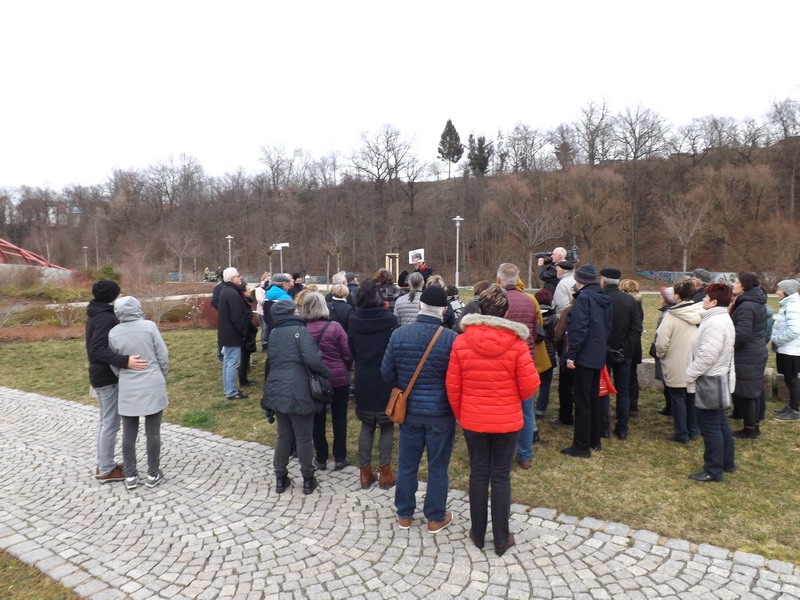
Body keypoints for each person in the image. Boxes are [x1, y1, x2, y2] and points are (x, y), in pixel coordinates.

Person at [446, 284, 539, 556]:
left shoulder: (462, 341)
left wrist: (462, 415)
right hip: (506, 420)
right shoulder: (517, 344)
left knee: (478, 474)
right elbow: (529, 387)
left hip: (474, 419)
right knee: (500, 477)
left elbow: (453, 387)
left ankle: (478, 533)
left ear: (480, 309)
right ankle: (500, 537)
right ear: (505, 312)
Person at [381, 285, 458, 533]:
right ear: (445, 310)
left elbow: (386, 373)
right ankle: (435, 517)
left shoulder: (399, 334)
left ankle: (404, 514)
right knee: (437, 466)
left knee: (407, 464)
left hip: (410, 411)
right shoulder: (451, 339)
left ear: (418, 306)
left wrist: (401, 385)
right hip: (441, 414)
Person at [262, 300, 329, 495]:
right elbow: (313, 359)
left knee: (283, 436)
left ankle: (280, 478)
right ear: (291, 312)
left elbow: (271, 361)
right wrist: (325, 373)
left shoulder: (274, 333)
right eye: (295, 309)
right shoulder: (300, 331)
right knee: (304, 437)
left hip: (277, 389)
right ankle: (308, 479)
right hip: (299, 390)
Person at [85, 280, 148, 483]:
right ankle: (105, 469)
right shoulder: (105, 317)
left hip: (101, 376)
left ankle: (106, 463)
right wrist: (125, 361)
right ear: (112, 296)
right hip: (106, 377)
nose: (122, 295)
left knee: (106, 422)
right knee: (110, 424)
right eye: (119, 293)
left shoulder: (98, 313)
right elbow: (97, 349)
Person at [108, 296, 169, 490]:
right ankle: (153, 473)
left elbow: (114, 362)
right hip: (152, 382)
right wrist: (161, 373)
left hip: (128, 385)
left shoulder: (113, 333)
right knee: (153, 432)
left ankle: (131, 476)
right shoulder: (149, 327)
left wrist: (123, 375)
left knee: (128, 434)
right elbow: (162, 353)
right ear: (137, 308)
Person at [348, 279, 400, 489]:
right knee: (386, 425)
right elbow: (396, 349)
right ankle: (384, 472)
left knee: (367, 424)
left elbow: (351, 350)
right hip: (385, 377)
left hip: (364, 377)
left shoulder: (353, 320)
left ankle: (365, 472)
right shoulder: (389, 319)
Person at [684, 284, 737, 482]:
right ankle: (727, 463)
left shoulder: (715, 322)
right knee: (720, 423)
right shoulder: (720, 318)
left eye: (705, 298)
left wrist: (690, 374)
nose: (702, 300)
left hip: (710, 380)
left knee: (710, 427)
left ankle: (713, 470)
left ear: (714, 302)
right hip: (718, 378)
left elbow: (707, 356)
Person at [561, 264, 613, 458]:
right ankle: (594, 440)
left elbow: (579, 329)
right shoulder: (604, 298)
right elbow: (608, 327)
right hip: (597, 354)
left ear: (579, 281)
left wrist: (571, 354)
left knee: (582, 401)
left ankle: (581, 446)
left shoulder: (584, 298)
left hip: (584, 355)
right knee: (593, 399)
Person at [300, 293, 353, 471]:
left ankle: (321, 457)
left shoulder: (303, 330)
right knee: (339, 418)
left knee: (317, 419)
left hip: (315, 380)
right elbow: (347, 353)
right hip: (338, 378)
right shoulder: (335, 327)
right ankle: (340, 457)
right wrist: (344, 368)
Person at [496, 263, 541, 468]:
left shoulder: (497, 301)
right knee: (526, 410)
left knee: (501, 408)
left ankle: (503, 453)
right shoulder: (530, 301)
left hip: (503, 362)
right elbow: (533, 331)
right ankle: (525, 455)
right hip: (526, 361)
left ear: (499, 280)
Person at [655, 279, 704, 443]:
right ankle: (693, 430)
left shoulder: (671, 316)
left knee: (678, 399)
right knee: (691, 399)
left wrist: (661, 355)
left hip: (676, 363)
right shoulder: (701, 312)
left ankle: (681, 433)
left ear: (676, 296)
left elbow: (661, 343)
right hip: (695, 362)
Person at [599, 267, 643, 441]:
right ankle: (622, 427)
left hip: (604, 352)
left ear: (603, 281)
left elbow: (596, 327)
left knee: (603, 390)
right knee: (623, 391)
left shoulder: (599, 299)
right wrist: (624, 349)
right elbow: (636, 328)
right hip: (623, 353)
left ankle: (604, 428)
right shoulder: (629, 300)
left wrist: (608, 348)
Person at [729, 272, 768, 439]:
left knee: (748, 392)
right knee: (753, 390)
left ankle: (750, 429)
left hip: (747, 354)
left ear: (744, 286)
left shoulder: (746, 306)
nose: (734, 285)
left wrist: (729, 347)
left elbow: (742, 335)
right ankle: (753, 424)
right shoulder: (754, 302)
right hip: (755, 350)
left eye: (736, 282)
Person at [218, 267, 252, 400]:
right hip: (233, 335)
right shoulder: (232, 294)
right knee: (232, 363)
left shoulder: (225, 291)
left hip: (226, 334)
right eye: (238, 276)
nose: (240, 278)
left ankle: (229, 389)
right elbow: (238, 317)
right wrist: (244, 333)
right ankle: (231, 391)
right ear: (232, 278)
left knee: (227, 362)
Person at [771, 278, 800, 422]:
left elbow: (795, 331)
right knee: (789, 379)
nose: (777, 292)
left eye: (779, 289)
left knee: (792, 380)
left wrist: (777, 340)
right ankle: (791, 406)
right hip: (787, 349)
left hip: (791, 350)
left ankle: (795, 410)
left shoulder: (793, 305)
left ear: (787, 291)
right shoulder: (788, 304)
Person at [620, 279, 644, 416]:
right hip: (635, 344)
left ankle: (629, 405)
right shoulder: (638, 304)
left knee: (628, 376)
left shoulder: (629, 304)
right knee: (632, 376)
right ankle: (632, 405)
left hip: (628, 343)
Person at [652, 287, 677, 416]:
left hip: (666, 355)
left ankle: (670, 407)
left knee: (668, 382)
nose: (660, 299)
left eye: (662, 297)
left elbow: (661, 338)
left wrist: (658, 352)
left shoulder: (666, 316)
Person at [533, 289, 558, 419]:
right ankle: (540, 410)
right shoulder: (554, 318)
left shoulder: (532, 315)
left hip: (533, 353)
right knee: (546, 384)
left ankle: (528, 407)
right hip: (549, 354)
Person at [254, 272, 271, 352]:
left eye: (270, 279)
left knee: (268, 328)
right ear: (263, 279)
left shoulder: (271, 288)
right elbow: (259, 300)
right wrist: (267, 301)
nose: (269, 280)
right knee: (264, 328)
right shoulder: (259, 289)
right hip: (262, 311)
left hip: (269, 311)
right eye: (267, 279)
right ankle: (264, 344)